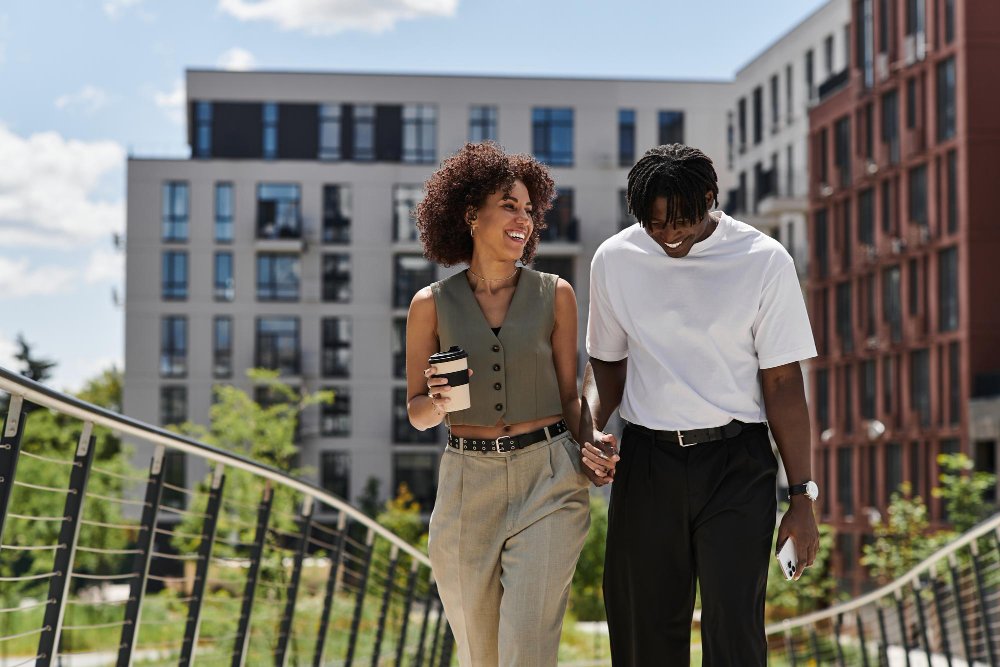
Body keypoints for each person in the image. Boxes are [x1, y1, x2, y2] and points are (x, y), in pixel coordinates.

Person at [578, 144, 820, 665]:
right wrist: (590, 426)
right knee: (643, 631)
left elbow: (782, 385)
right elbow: (605, 367)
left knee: (735, 630)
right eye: (655, 223)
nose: (668, 235)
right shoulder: (616, 259)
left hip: (738, 464)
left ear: (711, 198)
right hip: (647, 462)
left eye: (682, 220)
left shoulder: (763, 260)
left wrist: (801, 496)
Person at [406, 141, 615, 667]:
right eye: (509, 205)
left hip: (547, 478)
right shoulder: (429, 304)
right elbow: (417, 411)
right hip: (464, 485)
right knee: (482, 655)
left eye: (529, 208)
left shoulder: (556, 293)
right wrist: (436, 400)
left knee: (526, 647)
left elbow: (571, 396)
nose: (523, 218)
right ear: (471, 213)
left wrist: (592, 446)